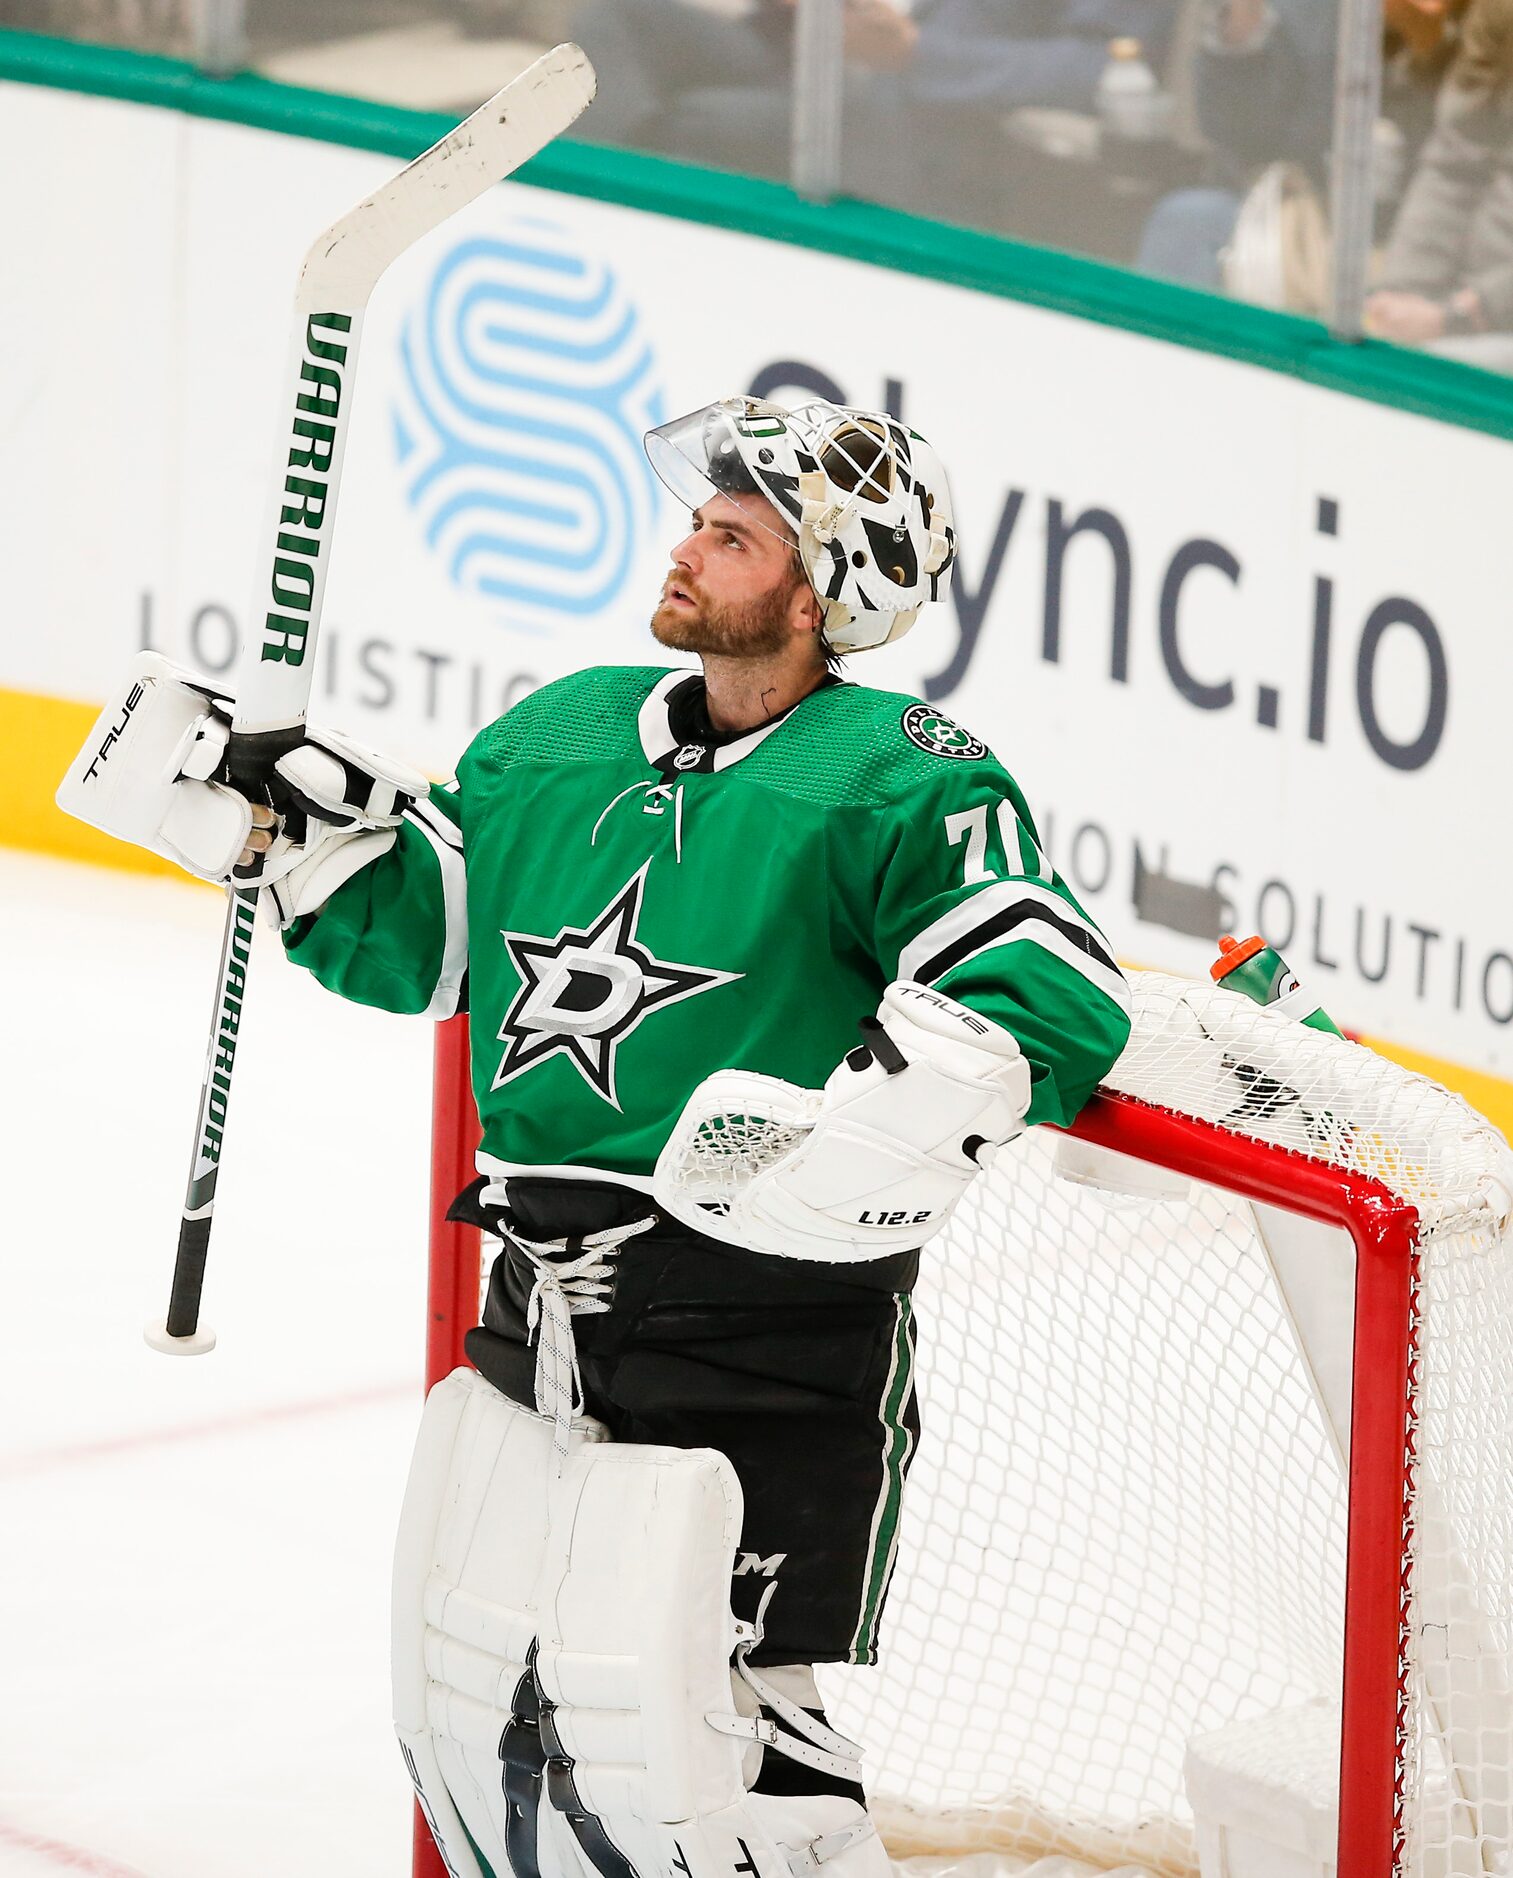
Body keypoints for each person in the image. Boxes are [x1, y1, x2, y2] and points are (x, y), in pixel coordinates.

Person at [58, 397, 1131, 1878]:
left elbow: (1053, 983)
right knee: (496, 1729)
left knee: (738, 1771)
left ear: (815, 597)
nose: (688, 543)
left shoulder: (904, 774)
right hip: (535, 1318)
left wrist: (869, 1133)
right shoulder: (563, 733)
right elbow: (440, 945)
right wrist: (293, 844)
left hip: (773, 1343)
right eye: (700, 517)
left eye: (733, 533)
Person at [1367, 0, 1513, 369]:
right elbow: (1455, 165)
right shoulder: (1498, 14)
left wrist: (1464, 315)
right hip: (1462, 306)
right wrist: (1401, 295)